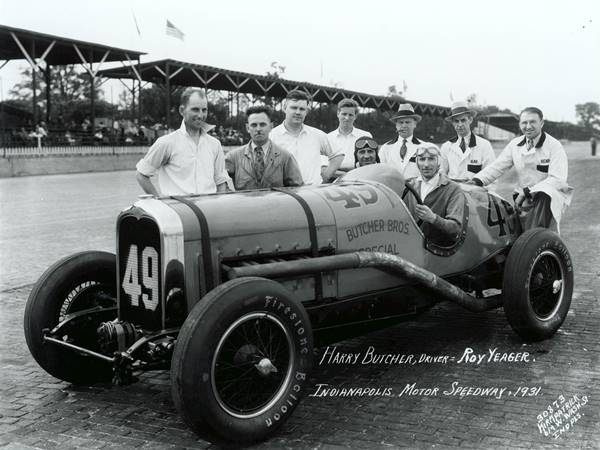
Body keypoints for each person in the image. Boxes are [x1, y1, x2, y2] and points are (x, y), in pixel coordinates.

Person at [470, 107, 573, 231]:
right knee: (520, 240)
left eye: (532, 122)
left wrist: (527, 191)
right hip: (522, 201)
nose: (528, 126)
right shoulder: (515, 144)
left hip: (546, 203)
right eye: (524, 123)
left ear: (542, 123)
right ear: (519, 124)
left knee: (541, 239)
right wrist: (476, 181)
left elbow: (557, 179)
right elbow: (497, 167)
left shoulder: (554, 146)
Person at [136, 87, 230, 196]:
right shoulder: (166, 143)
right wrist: (160, 202)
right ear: (182, 110)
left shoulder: (215, 144)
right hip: (178, 210)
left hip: (209, 210)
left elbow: (221, 181)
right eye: (195, 109)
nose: (200, 115)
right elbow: (141, 175)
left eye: (204, 110)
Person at [270, 90, 343, 184]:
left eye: (302, 109)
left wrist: (325, 176)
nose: (298, 112)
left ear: (306, 111)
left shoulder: (316, 135)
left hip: (313, 193)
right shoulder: (272, 136)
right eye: (294, 108)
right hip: (285, 195)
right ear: (284, 108)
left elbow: (338, 154)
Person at [226, 105, 303, 190]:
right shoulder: (233, 157)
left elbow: (297, 190)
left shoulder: (285, 157)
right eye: (254, 125)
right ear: (247, 128)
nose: (258, 129)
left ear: (271, 126)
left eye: (262, 124)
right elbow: (221, 185)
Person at [405, 143, 466, 247]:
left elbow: (456, 229)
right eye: (422, 159)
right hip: (411, 246)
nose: (426, 164)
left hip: (438, 250)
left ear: (439, 162)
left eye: (431, 159)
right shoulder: (409, 186)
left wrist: (433, 218)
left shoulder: (452, 189)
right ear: (417, 162)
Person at [440, 101, 495, 179]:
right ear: (452, 123)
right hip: (453, 190)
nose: (460, 125)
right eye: (456, 121)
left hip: (475, 189)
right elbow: (442, 174)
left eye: (463, 120)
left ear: (470, 120)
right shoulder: (446, 147)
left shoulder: (484, 145)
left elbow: (491, 173)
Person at [379, 104, 424, 178]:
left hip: (416, 189)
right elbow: (381, 173)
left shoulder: (424, 147)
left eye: (407, 122)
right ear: (396, 125)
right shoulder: (385, 148)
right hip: (392, 188)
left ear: (415, 124)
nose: (404, 126)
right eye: (401, 122)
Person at [327, 98, 372, 171]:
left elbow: (370, 164)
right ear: (338, 114)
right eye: (344, 114)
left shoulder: (365, 136)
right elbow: (324, 168)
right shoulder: (328, 138)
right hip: (334, 179)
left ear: (355, 116)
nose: (347, 118)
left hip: (359, 177)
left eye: (350, 115)